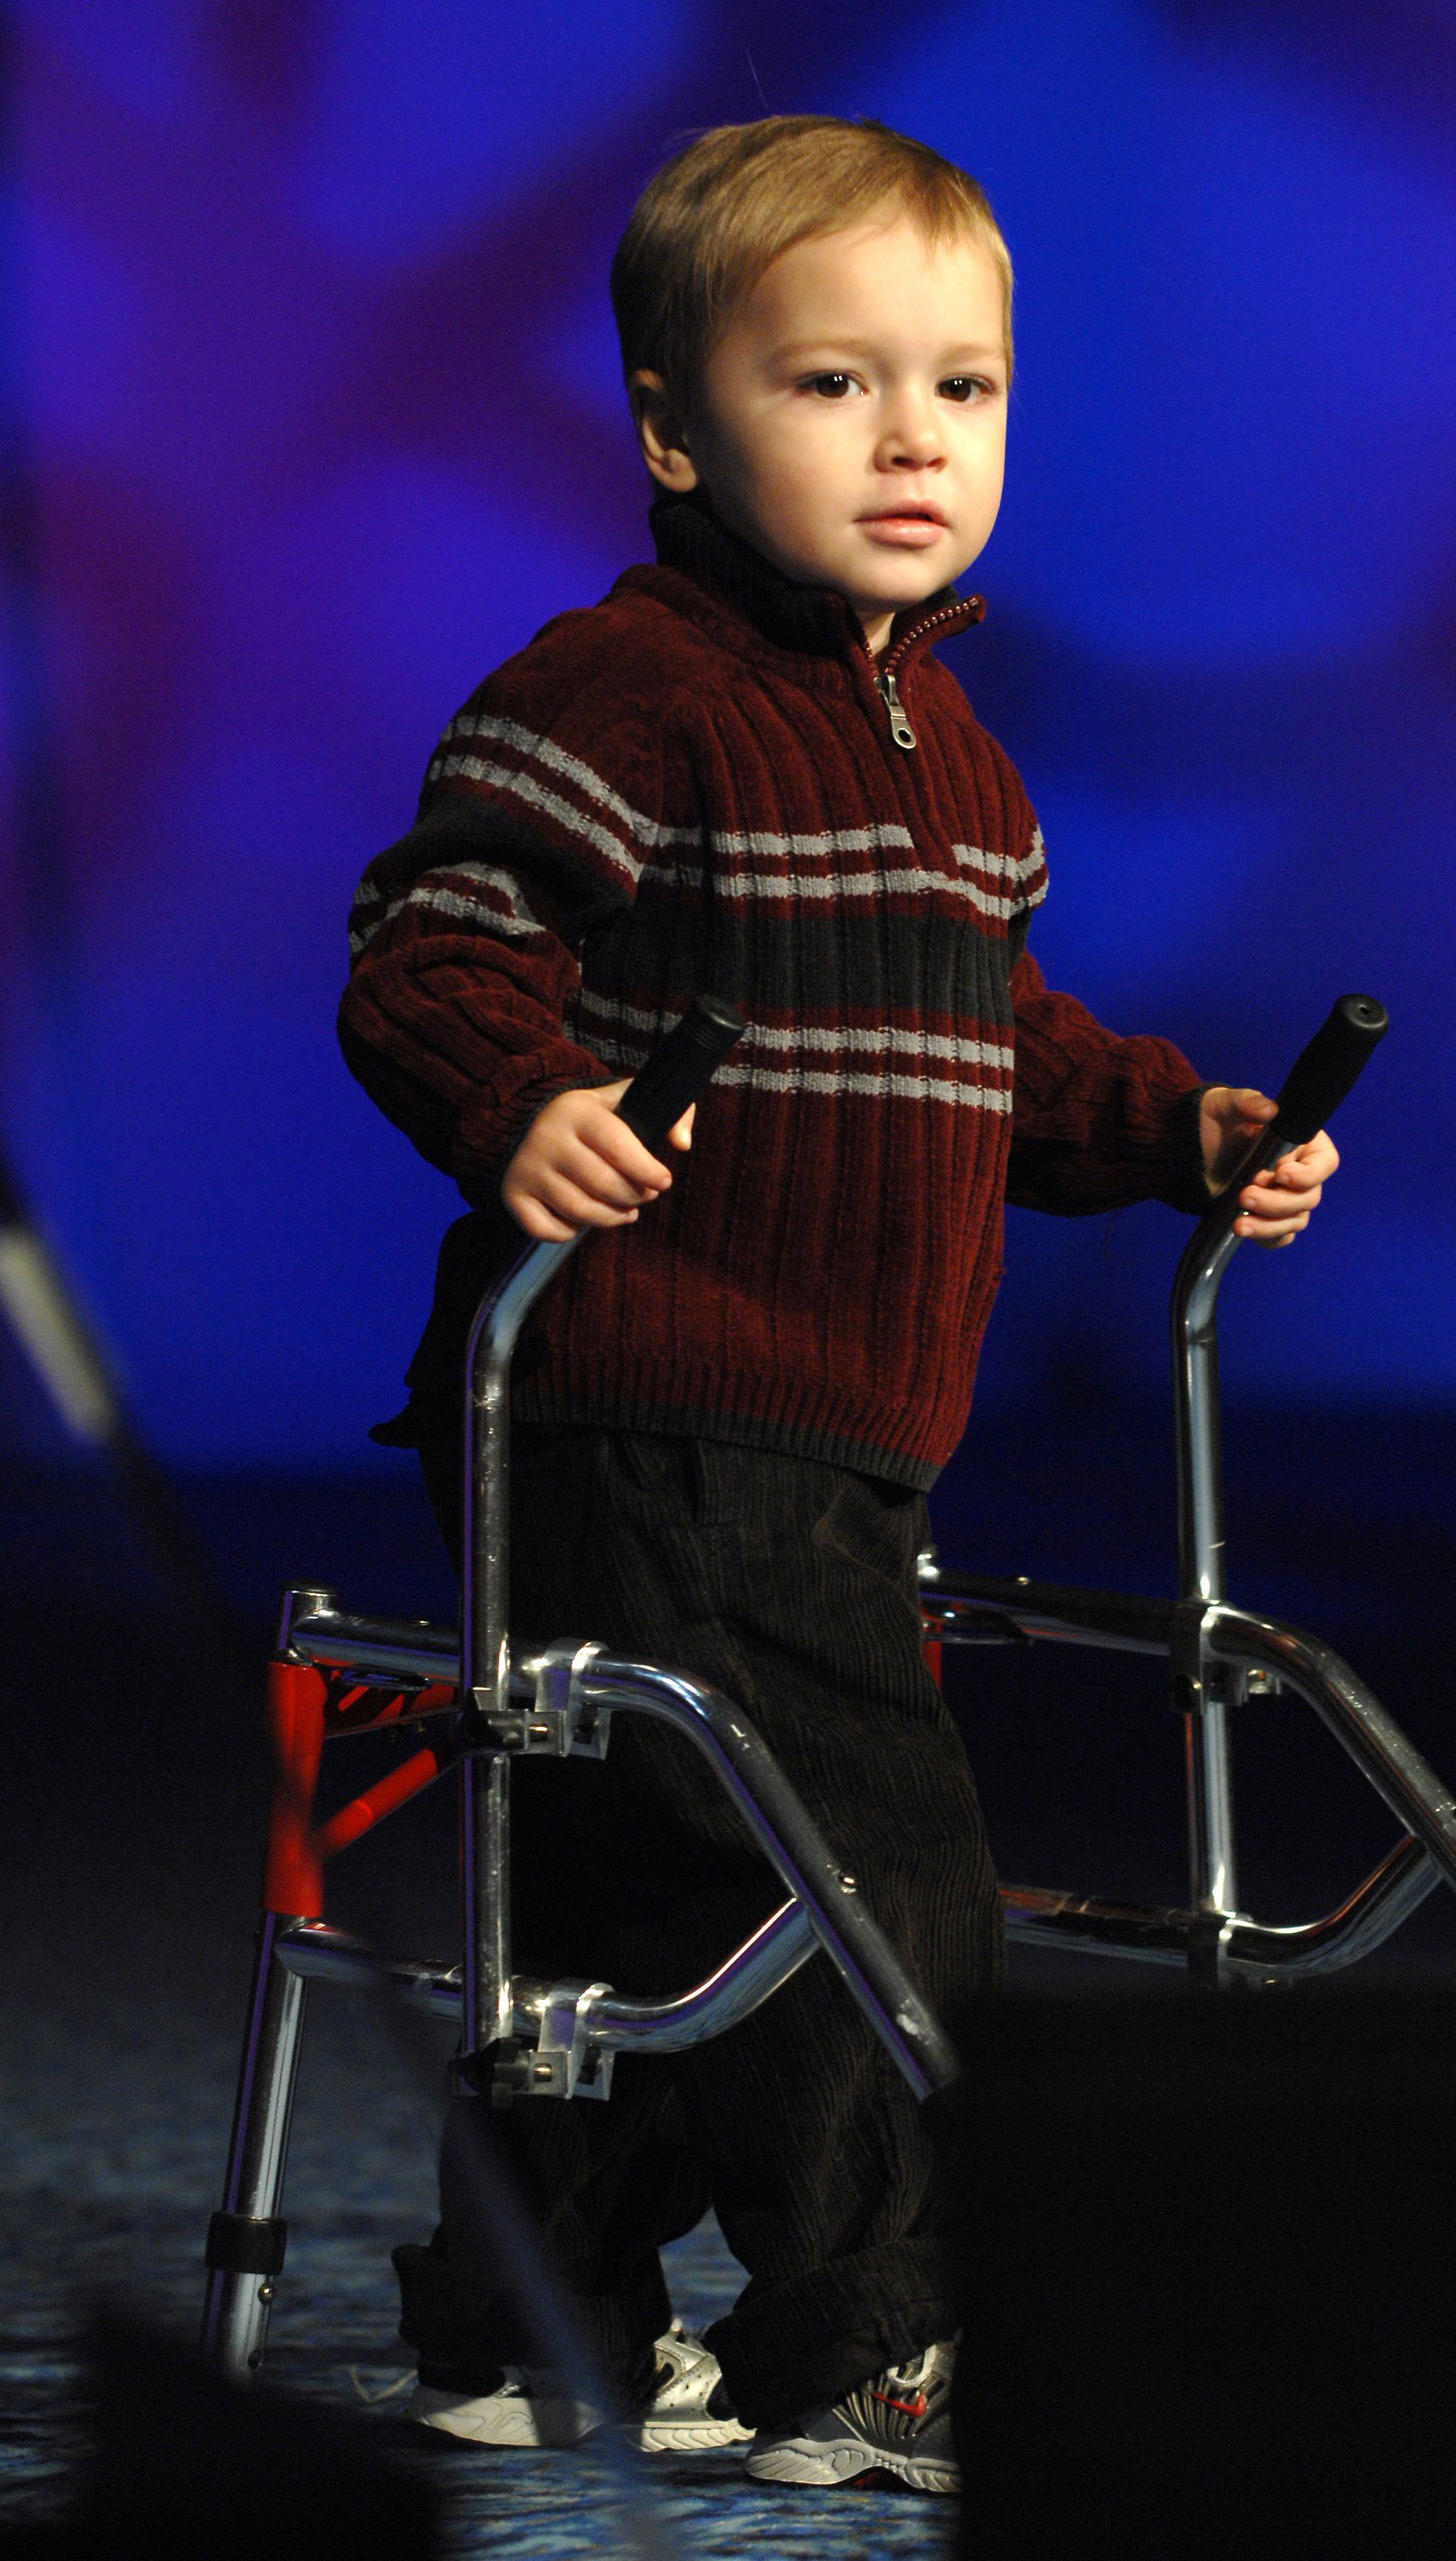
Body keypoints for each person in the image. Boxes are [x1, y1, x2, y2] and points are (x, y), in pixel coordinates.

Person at [338, 114, 1338, 2495]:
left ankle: (525, 2313)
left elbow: (988, 1060)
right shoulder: (624, 691)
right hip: (649, 1406)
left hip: (833, 1436)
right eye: (831, 386)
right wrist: (518, 1102)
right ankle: (880, 2347)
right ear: (676, 427)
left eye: (961, 390)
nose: (912, 441)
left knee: (650, 1897)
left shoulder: (957, 765)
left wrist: (1178, 1130)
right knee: (856, 1884)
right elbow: (431, 941)